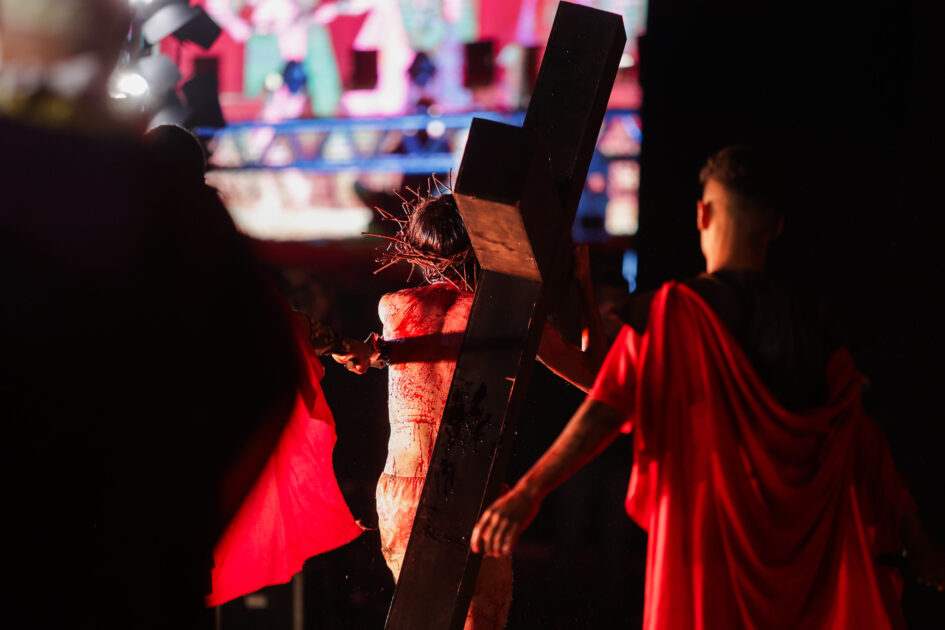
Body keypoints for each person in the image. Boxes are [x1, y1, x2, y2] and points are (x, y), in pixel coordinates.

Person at [470, 146, 945, 629]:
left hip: (705, 568)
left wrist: (528, 492)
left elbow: (606, 407)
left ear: (702, 214)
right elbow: (864, 444)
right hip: (804, 583)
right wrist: (915, 534)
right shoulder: (819, 330)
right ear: (776, 226)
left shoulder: (673, 316)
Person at [0, 1, 323, 626]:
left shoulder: (123, 202)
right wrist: (182, 519)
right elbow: (265, 373)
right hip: (137, 559)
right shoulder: (172, 218)